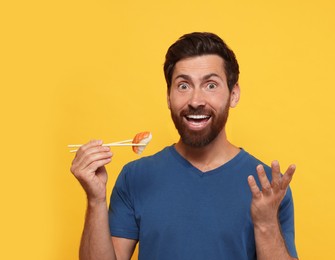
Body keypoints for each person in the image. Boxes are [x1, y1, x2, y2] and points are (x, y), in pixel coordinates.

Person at [71, 32, 298, 260]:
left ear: (234, 94)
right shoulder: (135, 177)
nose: (195, 101)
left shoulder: (269, 188)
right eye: (183, 86)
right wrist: (95, 200)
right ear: (168, 96)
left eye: (210, 85)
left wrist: (267, 224)